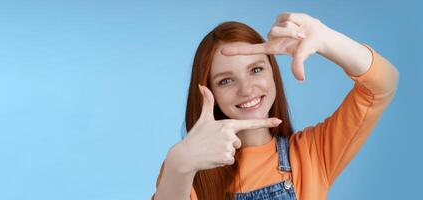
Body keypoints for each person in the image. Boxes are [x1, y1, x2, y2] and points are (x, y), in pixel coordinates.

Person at [152, 12, 399, 200]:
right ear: (210, 92)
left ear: (273, 73)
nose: (246, 89)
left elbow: (383, 84)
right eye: (226, 80)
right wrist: (179, 163)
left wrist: (326, 40)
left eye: (256, 69)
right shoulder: (186, 168)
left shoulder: (311, 154)